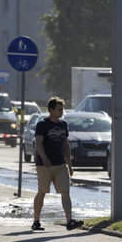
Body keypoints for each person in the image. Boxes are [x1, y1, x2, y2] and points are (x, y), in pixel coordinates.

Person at [32, 96, 83, 231]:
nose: (61, 112)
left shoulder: (63, 124)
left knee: (65, 192)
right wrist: (44, 158)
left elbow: (66, 145)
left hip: (60, 164)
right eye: (59, 109)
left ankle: (69, 221)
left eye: (62, 109)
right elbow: (38, 143)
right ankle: (36, 221)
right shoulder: (42, 125)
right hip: (44, 165)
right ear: (51, 110)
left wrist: (70, 165)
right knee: (42, 192)